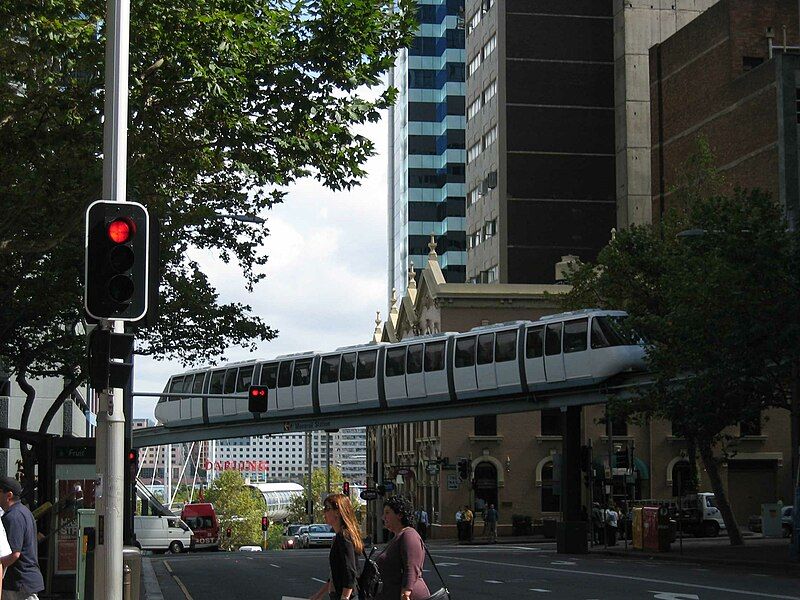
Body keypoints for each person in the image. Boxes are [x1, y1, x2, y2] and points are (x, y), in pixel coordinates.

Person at [375, 496, 430, 600]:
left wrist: (406, 592)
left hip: (410, 596)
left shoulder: (409, 535)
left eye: (387, 513)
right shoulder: (398, 536)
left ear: (399, 514)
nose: (383, 517)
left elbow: (411, 567)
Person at [310, 494, 361, 600]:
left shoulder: (344, 536)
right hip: (338, 594)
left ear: (338, 512)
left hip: (347, 596)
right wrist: (318, 595)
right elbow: (334, 575)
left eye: (327, 508)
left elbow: (350, 570)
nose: (324, 512)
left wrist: (345, 596)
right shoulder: (339, 536)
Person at [0, 477, 44, 600]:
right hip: (26, 581)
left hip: (18, 583)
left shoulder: (12, 517)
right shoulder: (24, 512)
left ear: (8, 495)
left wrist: (0, 565)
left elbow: (14, 554)